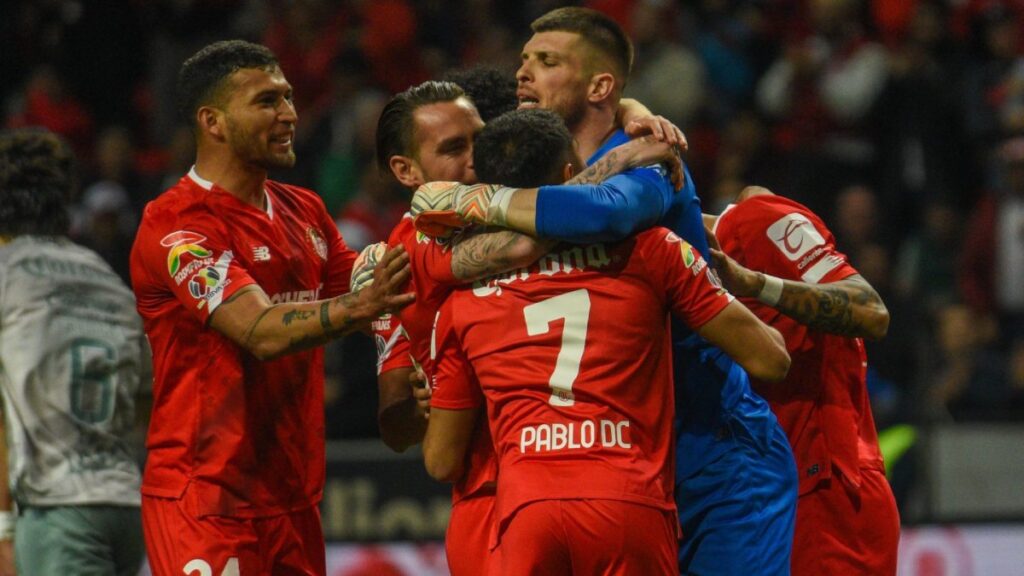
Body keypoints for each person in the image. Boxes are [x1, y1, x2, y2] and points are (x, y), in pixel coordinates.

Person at [412, 7, 798, 574]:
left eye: (546, 62)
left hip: (713, 447)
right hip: (617, 460)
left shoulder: (649, 165)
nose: (524, 74)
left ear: (600, 86)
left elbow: (606, 213)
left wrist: (475, 203)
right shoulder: (552, 165)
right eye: (523, 60)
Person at [365, 78, 684, 576]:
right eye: (454, 149)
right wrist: (619, 161)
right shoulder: (414, 245)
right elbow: (529, 241)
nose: (477, 158)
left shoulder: (501, 209)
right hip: (489, 497)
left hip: (577, 480)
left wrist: (626, 109)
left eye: (480, 136)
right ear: (406, 170)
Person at [129, 40, 412, 575]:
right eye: (266, 101)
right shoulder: (176, 225)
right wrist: (361, 305)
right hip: (206, 502)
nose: (289, 115)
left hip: (293, 500)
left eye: (287, 98)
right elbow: (258, 328)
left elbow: (377, 290)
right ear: (212, 121)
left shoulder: (303, 209)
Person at [708, 185, 898, 575]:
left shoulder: (755, 219)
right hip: (770, 493)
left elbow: (871, 311)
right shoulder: (669, 257)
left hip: (829, 491)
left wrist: (757, 283)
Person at [0, 127, 148, 576]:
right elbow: (145, 396)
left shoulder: (7, 273)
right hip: (123, 504)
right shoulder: (103, 276)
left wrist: (4, 526)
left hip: (56, 511)